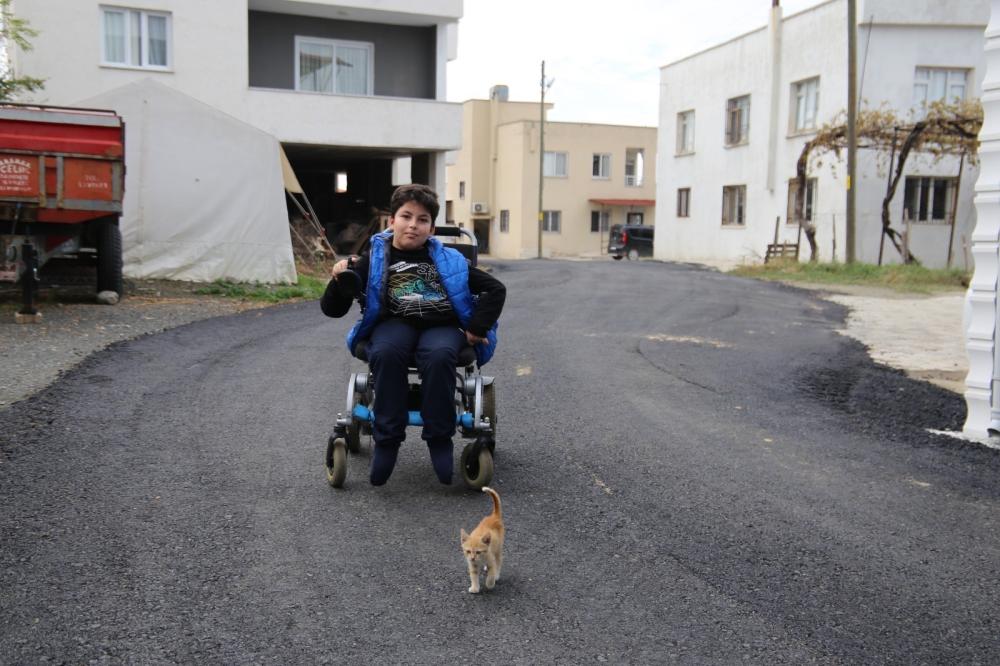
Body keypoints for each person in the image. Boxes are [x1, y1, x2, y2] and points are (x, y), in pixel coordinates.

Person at [321, 184, 506, 486]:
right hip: (393, 322)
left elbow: (496, 289)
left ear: (431, 228)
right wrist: (339, 280)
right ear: (391, 221)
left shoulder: (449, 260)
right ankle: (387, 441)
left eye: (422, 220)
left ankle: (439, 440)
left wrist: (476, 329)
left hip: (443, 325)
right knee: (386, 352)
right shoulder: (374, 258)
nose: (413, 225)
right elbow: (333, 309)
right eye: (406, 216)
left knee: (439, 354)